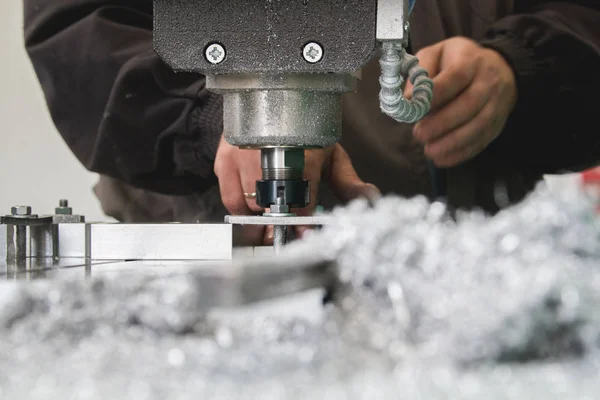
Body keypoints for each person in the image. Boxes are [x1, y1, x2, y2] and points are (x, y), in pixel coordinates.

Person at [23, 0, 600, 242]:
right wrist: (218, 115)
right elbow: (79, 24)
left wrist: (522, 68)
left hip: (477, 283)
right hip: (201, 265)